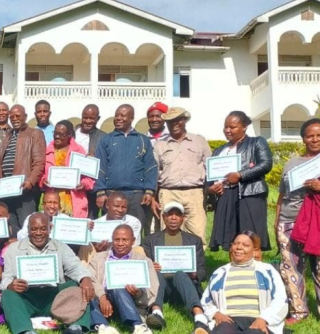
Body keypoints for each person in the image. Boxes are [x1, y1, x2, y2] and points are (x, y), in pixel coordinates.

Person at [0, 213, 96, 334]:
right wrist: (11, 285)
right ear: (28, 229)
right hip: (27, 297)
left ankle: (75, 330)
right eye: (34, 229)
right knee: (7, 295)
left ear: (50, 228)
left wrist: (85, 279)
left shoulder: (60, 246)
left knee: (79, 287)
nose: (38, 233)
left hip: (54, 297)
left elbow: (75, 266)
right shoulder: (13, 249)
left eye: (43, 229)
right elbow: (6, 278)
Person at [194, 232, 288, 334]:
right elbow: (206, 299)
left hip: (256, 318)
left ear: (254, 250)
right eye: (236, 243)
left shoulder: (267, 271)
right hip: (230, 318)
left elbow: (280, 299)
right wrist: (216, 313)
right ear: (231, 247)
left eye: (245, 245)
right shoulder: (220, 272)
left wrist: (264, 319)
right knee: (222, 331)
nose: (239, 247)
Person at [275, 118, 320, 324]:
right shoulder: (291, 163)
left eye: (319, 135)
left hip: (316, 222)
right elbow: (282, 194)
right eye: (310, 135)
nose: (314, 139)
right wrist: (277, 222)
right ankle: (299, 311)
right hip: (289, 220)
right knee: (291, 267)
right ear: (303, 138)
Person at [208, 111, 272, 252]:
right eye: (226, 127)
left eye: (232, 127)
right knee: (231, 238)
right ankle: (234, 268)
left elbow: (266, 164)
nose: (227, 130)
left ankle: (256, 269)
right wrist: (211, 188)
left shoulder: (256, 142)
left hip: (250, 194)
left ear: (244, 127)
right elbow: (210, 176)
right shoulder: (219, 150)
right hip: (226, 196)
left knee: (251, 236)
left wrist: (240, 175)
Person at [88, 225, 159, 334]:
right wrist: (102, 297)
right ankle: (104, 328)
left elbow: (152, 291)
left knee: (116, 285)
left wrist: (137, 293)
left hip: (130, 303)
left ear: (133, 241)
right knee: (85, 294)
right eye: (117, 239)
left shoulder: (144, 261)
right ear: (112, 240)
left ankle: (140, 327)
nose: (120, 243)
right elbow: (91, 280)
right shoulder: (98, 258)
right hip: (103, 303)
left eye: (125, 240)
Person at [141, 202, 207, 331]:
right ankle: (156, 313)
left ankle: (199, 316)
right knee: (156, 274)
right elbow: (144, 267)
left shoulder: (194, 240)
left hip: (184, 286)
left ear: (183, 218)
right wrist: (150, 266)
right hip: (162, 288)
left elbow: (203, 270)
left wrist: (194, 274)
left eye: (177, 215)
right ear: (163, 217)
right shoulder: (150, 240)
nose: (173, 218)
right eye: (170, 214)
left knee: (180, 274)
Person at [151, 107, 211, 247]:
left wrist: (212, 188)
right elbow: (153, 172)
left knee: (197, 233)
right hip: (168, 192)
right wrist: (153, 197)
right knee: (168, 233)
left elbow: (211, 167)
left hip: (194, 192)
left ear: (184, 120)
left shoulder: (199, 141)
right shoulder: (160, 145)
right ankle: (169, 266)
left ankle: (197, 268)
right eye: (170, 121)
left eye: (178, 120)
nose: (174, 123)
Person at [94, 104, 157, 237]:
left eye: (122, 115)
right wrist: (100, 192)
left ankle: (135, 256)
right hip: (112, 193)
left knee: (135, 231)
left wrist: (149, 190)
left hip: (136, 195)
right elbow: (100, 166)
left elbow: (150, 166)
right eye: (116, 115)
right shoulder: (106, 140)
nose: (118, 118)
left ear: (131, 118)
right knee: (109, 233)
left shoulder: (143, 140)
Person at [0, 104, 45, 237]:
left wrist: (30, 181)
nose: (15, 119)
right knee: (10, 226)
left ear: (25, 117)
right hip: (7, 191)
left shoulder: (35, 134)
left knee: (26, 226)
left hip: (25, 191)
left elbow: (39, 162)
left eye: (18, 116)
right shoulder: (8, 136)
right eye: (12, 116)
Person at [40, 120, 94, 218]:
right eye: (55, 133)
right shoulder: (47, 151)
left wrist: (83, 184)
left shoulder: (79, 151)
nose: (57, 136)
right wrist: (43, 180)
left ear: (69, 134)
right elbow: (41, 173)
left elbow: (89, 178)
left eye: (61, 134)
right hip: (53, 198)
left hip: (74, 199)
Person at [78, 191, 142, 264]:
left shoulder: (133, 222)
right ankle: (85, 274)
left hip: (125, 256)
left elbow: (133, 245)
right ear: (108, 205)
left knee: (139, 249)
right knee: (85, 247)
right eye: (116, 206)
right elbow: (93, 247)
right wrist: (96, 248)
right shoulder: (96, 224)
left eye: (124, 207)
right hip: (100, 256)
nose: (120, 210)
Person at [74, 104, 106, 219]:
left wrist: (96, 157)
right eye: (85, 117)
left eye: (92, 118)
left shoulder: (103, 137)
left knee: (91, 218)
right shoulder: (72, 133)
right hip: (73, 185)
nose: (87, 121)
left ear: (98, 119)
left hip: (92, 187)